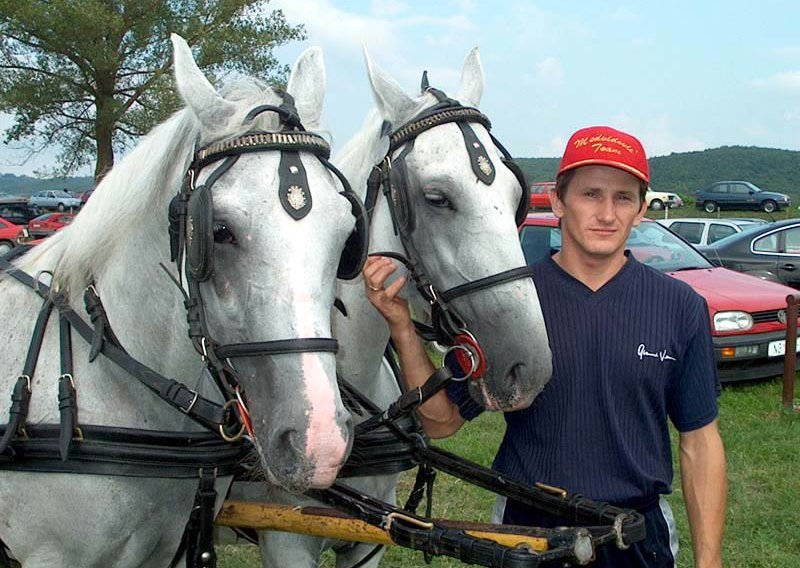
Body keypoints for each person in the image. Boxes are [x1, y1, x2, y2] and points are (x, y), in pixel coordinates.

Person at [363, 125, 727, 568]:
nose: (607, 213)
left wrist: (709, 561)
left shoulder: (679, 307)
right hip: (528, 533)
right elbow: (440, 422)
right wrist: (401, 326)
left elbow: (700, 442)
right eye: (590, 194)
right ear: (557, 200)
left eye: (623, 197)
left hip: (636, 538)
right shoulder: (508, 304)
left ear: (640, 211)